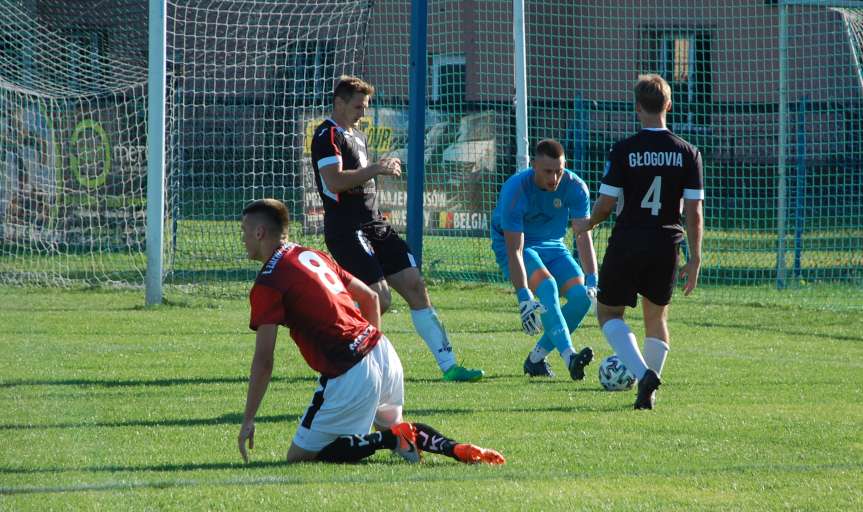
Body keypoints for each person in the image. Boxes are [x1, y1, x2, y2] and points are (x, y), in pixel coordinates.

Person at [237, 198, 504, 465]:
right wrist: (367, 348)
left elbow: (264, 361)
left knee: (300, 457)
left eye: (244, 231)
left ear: (259, 232)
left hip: (349, 368)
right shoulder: (312, 254)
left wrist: (248, 418)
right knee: (394, 425)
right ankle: (453, 448)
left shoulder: (268, 283)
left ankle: (389, 440)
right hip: (382, 350)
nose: (243, 238)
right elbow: (371, 299)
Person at [309, 75, 483, 382]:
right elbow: (335, 181)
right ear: (339, 103)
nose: (362, 112)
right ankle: (343, 357)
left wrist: (382, 168)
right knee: (379, 299)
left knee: (416, 285)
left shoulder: (357, 135)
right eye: (358, 106)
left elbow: (359, 178)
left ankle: (450, 367)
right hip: (346, 229)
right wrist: (376, 168)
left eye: (365, 106)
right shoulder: (327, 135)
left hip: (375, 224)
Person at [574, 74, 704, 410]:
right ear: (669, 105)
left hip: (629, 239)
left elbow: (604, 205)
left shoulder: (624, 150)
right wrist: (696, 258)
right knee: (656, 319)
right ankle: (648, 390)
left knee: (609, 313)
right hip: (666, 242)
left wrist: (588, 223)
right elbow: (694, 212)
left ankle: (642, 374)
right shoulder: (688, 153)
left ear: (637, 108)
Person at [490, 139, 598, 380]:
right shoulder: (515, 189)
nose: (554, 178)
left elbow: (583, 236)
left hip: (554, 247)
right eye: (548, 171)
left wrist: (592, 279)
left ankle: (536, 359)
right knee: (547, 286)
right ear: (534, 165)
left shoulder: (576, 187)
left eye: (559, 171)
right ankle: (570, 357)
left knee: (582, 299)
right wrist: (524, 297)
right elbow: (515, 250)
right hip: (519, 247)